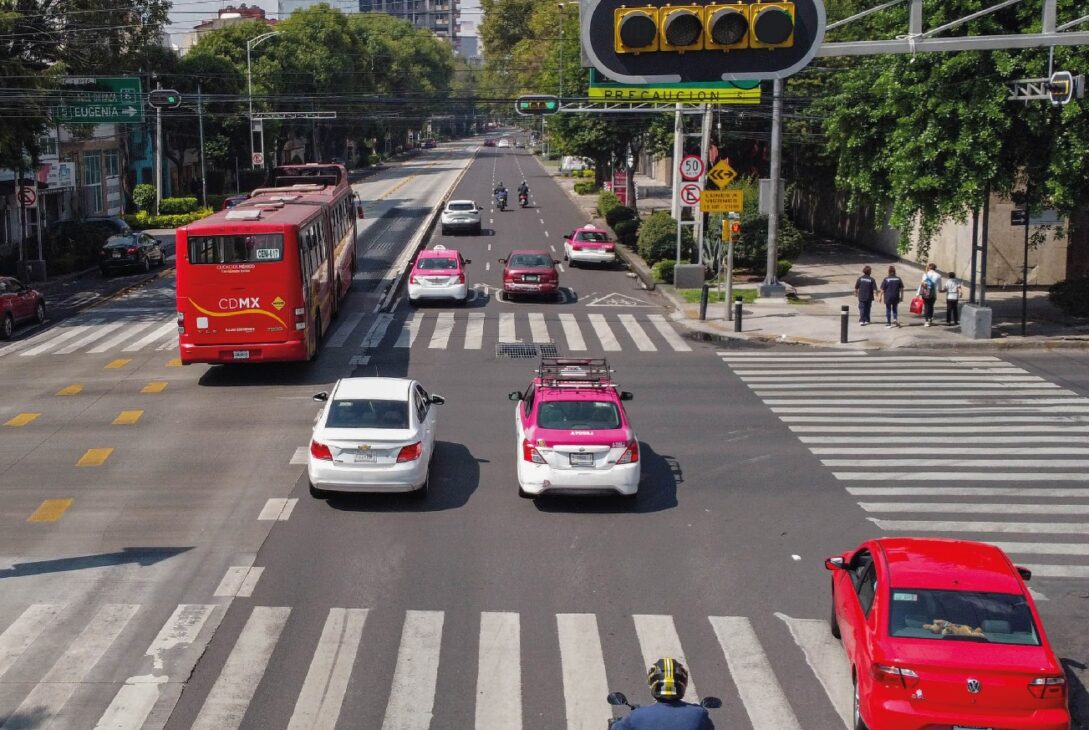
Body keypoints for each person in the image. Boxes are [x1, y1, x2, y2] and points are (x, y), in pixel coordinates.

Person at [611, 658, 714, 730]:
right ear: (683, 684)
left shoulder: (637, 716)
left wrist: (613, 723)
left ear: (653, 683)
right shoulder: (699, 714)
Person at [917, 262, 942, 326]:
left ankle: (926, 321)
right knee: (931, 306)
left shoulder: (925, 274)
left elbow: (922, 283)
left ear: (929, 268)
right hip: (933, 293)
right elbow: (939, 287)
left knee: (926, 306)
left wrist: (918, 293)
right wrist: (941, 290)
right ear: (935, 268)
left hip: (925, 292)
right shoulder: (938, 275)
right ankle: (930, 318)